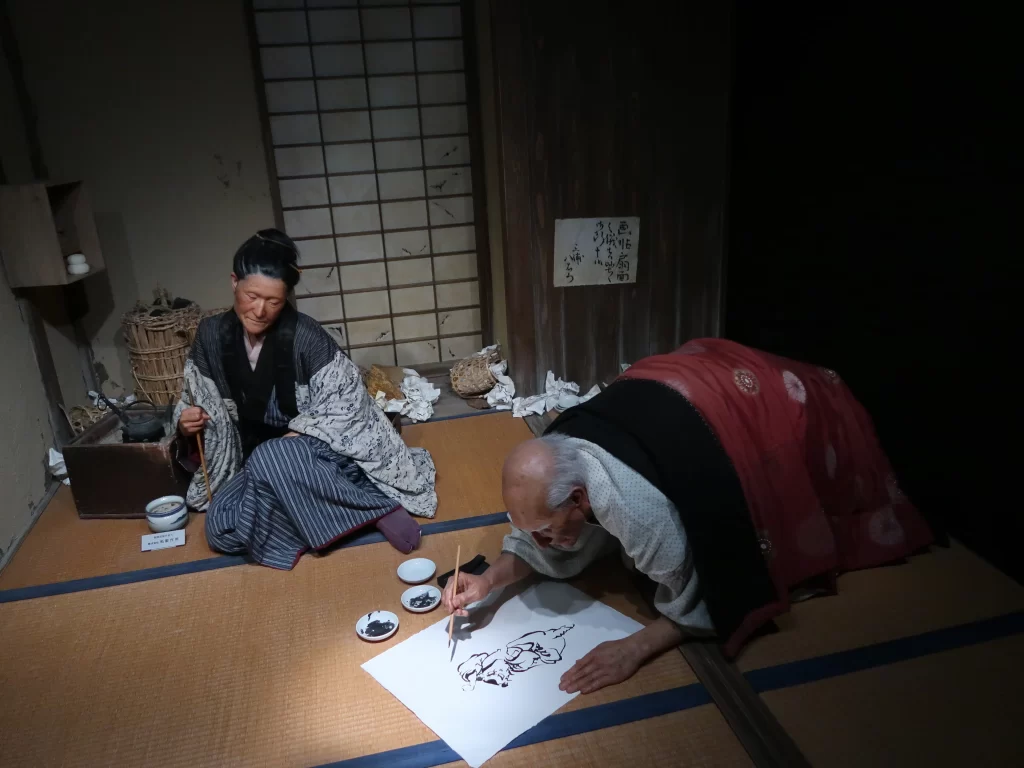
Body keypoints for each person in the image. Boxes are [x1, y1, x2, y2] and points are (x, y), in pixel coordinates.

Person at [443, 338, 933, 695]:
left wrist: (636, 647)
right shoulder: (561, 458)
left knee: (798, 459)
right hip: (673, 387)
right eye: (532, 533)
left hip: (739, 397)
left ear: (579, 499)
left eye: (545, 532)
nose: (540, 543)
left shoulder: (639, 515)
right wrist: (490, 580)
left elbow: (705, 598)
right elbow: (537, 536)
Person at [174, 228, 433, 569]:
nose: (260, 310)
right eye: (252, 296)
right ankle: (353, 510)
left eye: (274, 301)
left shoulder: (307, 337)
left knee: (274, 458)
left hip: (312, 457)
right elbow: (194, 399)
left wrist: (300, 434)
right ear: (234, 282)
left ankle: (375, 509)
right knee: (220, 526)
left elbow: (348, 406)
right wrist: (186, 422)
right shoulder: (210, 335)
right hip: (252, 461)